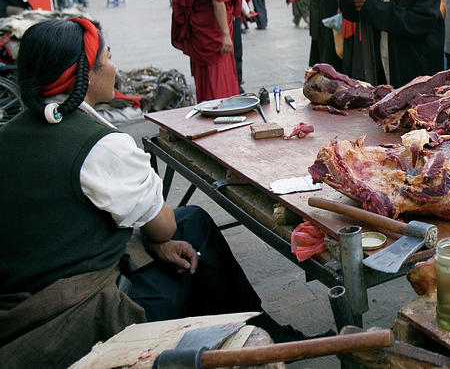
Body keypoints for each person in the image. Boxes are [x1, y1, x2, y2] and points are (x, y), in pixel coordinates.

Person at [0, 18, 318, 368]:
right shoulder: (99, 146)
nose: (113, 66)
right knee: (186, 242)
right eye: (107, 57)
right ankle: (243, 337)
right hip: (73, 318)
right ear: (84, 74)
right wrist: (158, 238)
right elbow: (163, 228)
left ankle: (248, 326)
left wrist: (154, 240)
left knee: (192, 222)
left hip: (23, 293)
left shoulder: (11, 132)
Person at [228, 0, 254, 88]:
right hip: (232, 14)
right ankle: (237, 80)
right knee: (236, 50)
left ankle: (234, 81)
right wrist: (246, 9)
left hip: (232, 12)